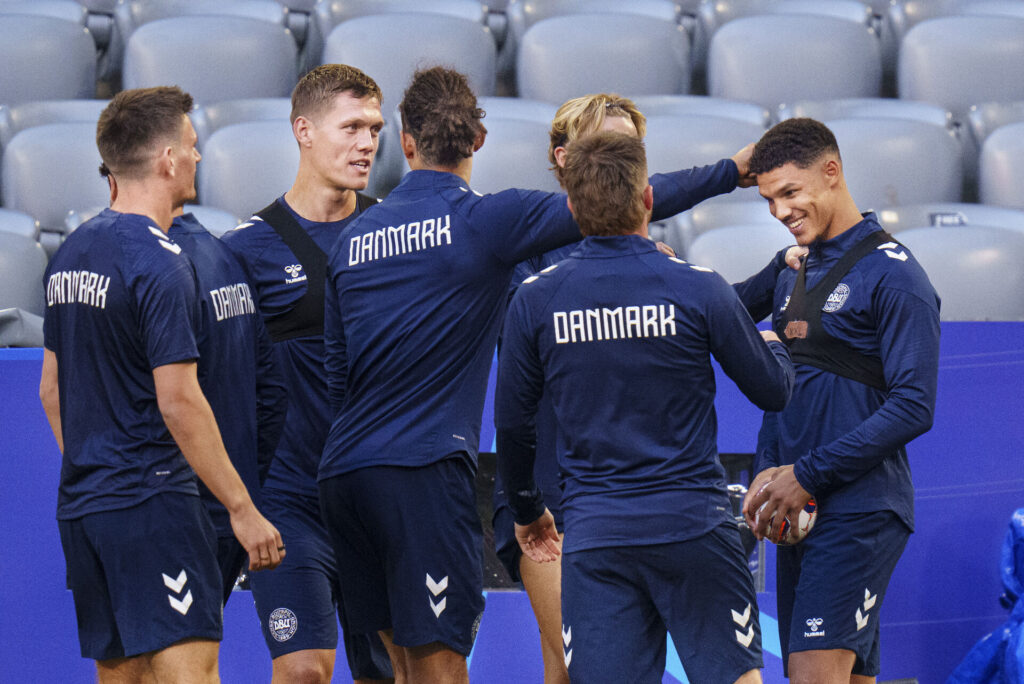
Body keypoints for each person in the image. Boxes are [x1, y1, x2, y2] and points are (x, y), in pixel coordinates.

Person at [494, 130, 794, 683]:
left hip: (597, 539)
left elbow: (512, 428)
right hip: (694, 529)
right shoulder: (698, 287)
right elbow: (771, 392)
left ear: (571, 207)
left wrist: (528, 511)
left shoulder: (535, 298)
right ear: (648, 199)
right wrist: (777, 352)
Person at [38, 86, 283, 683]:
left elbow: (51, 389)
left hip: (85, 508)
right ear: (167, 159)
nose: (198, 158)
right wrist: (242, 508)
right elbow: (179, 399)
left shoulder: (70, 253)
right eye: (192, 148)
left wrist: (99, 471)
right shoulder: (161, 260)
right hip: (154, 506)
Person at [740, 118, 940, 684]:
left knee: (809, 676)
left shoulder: (896, 277)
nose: (779, 211)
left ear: (832, 173)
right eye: (768, 199)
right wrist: (766, 476)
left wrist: (806, 473)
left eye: (790, 193)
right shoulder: (789, 270)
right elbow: (715, 317)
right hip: (800, 510)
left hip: (859, 510)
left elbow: (914, 406)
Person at [220, 64, 394, 684]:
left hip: (382, 501)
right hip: (289, 502)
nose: (368, 143)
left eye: (375, 128)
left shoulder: (397, 233)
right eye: (351, 127)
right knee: (302, 672)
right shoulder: (242, 251)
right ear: (303, 131)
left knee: (393, 673)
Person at [167, 209, 288, 603]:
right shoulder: (225, 257)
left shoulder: (157, 265)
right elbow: (271, 392)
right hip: (230, 509)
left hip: (178, 508)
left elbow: (174, 400)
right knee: (197, 651)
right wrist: (243, 488)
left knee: (165, 661)